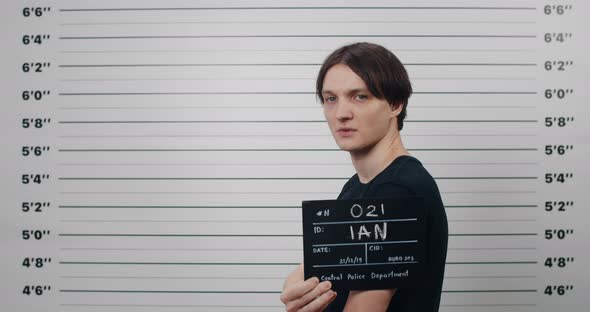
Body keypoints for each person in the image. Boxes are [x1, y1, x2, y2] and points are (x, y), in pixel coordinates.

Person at [280, 42, 448, 311]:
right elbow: (301, 278)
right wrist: (298, 291)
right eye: (331, 98)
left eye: (360, 96)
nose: (341, 114)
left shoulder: (397, 191)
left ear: (395, 104)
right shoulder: (358, 187)